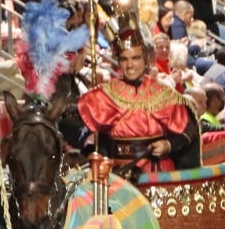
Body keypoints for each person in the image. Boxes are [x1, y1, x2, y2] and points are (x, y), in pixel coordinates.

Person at [77, 23, 200, 174]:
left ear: (145, 59)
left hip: (157, 173)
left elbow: (188, 128)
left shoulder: (164, 93)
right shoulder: (102, 95)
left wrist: (168, 145)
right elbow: (91, 136)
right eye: (124, 59)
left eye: (135, 58)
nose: (129, 65)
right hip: (115, 175)